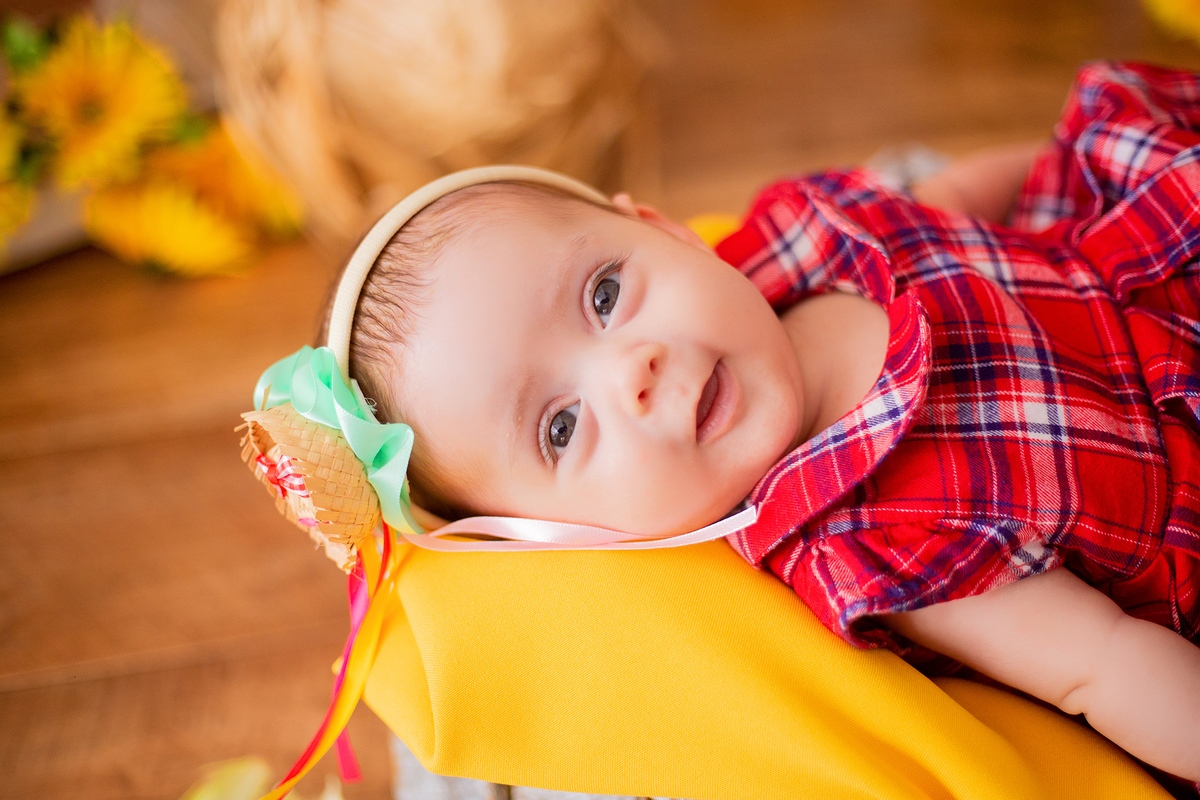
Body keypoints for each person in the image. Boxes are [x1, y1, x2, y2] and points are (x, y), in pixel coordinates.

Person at [267, 61, 1200, 786]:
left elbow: (968, 195)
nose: (633, 370)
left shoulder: (807, 236)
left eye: (604, 294)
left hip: (1147, 255)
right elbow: (1103, 668)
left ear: (666, 232)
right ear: (570, 540)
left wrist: (1048, 163)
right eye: (559, 428)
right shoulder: (870, 538)